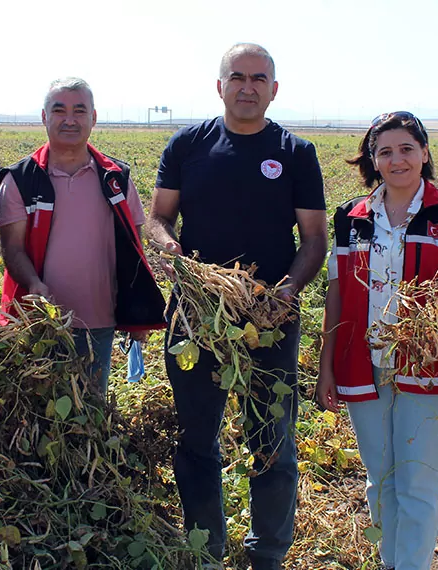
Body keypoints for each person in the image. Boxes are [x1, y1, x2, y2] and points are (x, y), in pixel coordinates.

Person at [144, 43, 327, 569]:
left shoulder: (296, 153)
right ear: (219, 85)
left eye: (259, 77)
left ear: (274, 88)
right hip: (196, 311)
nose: (248, 86)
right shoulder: (188, 145)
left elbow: (313, 238)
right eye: (238, 76)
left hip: (270, 316)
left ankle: (266, 553)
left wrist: (287, 292)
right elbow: (158, 218)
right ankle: (207, 549)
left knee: (271, 436)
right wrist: (169, 249)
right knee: (196, 435)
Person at [316, 111, 438, 570]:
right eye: (385, 151)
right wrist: (326, 364)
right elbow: (336, 291)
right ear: (373, 160)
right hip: (362, 363)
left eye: (407, 149)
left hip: (428, 366)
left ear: (425, 153)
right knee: (380, 480)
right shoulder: (351, 218)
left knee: (418, 482)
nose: (397, 160)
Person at [0, 77, 165, 393]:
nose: (70, 120)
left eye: (79, 111)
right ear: (45, 117)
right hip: (37, 321)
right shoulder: (21, 179)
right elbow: (12, 249)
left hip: (98, 319)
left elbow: (134, 248)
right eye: (59, 111)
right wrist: (34, 284)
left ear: (93, 118)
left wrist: (139, 312)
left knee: (90, 409)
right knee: (37, 412)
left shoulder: (115, 178)